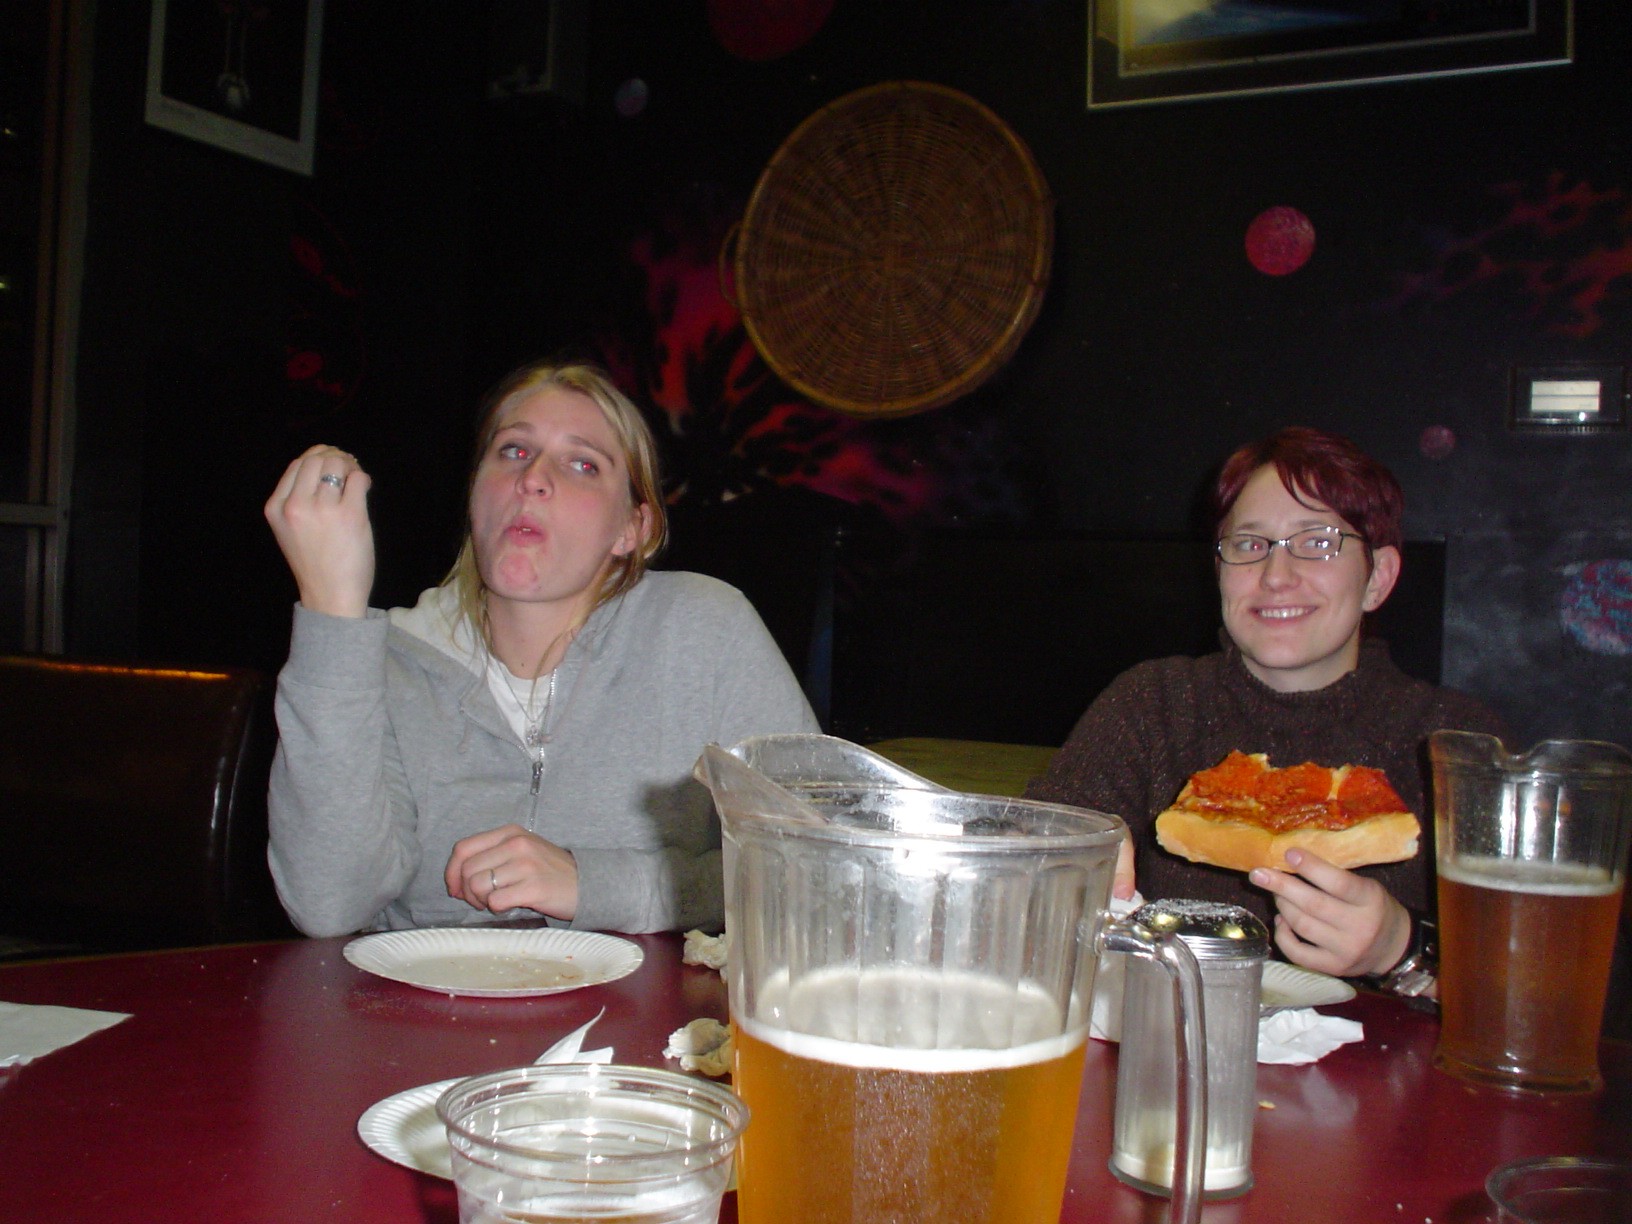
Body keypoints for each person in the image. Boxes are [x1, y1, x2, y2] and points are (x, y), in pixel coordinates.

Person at [262, 360, 818, 937]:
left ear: (634, 529)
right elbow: (329, 905)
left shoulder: (706, 630)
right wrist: (332, 612)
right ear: (476, 492)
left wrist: (589, 884)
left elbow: (812, 868)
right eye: (513, 451)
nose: (532, 478)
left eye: (583, 464)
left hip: (649, 998)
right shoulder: (381, 665)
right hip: (424, 995)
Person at [1027, 426, 1503, 986]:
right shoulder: (1152, 705)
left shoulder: (1455, 742)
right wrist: (1064, 861)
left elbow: (1541, 981)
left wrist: (1403, 948)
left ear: (1378, 578)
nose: (1276, 576)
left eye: (1318, 542)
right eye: (1249, 545)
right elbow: (1021, 875)